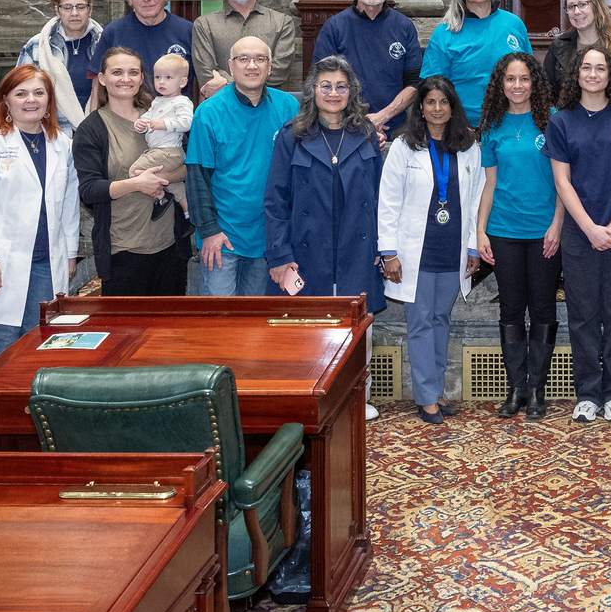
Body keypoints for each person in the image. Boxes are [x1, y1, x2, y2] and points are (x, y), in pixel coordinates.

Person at [265, 56, 387, 419]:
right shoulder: (292, 135)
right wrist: (279, 255)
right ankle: (307, 399)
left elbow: (381, 195)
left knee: (358, 326)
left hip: (358, 245)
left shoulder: (366, 134)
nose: (333, 93)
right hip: (306, 249)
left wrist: (383, 246)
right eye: (326, 86)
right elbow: (275, 199)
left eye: (341, 86)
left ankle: (355, 400)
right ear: (312, 91)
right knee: (308, 329)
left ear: (352, 92)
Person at [0, 66, 82, 366]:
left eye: (39, 93)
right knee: (2, 337)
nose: (31, 100)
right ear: (6, 100)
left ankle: (29, 396)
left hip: (46, 259)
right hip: (1, 262)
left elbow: (69, 202)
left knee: (39, 336)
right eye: (21, 93)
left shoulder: (61, 144)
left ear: (49, 100)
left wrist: (69, 252)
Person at [546, 45, 611, 425]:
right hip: (579, 234)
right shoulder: (561, 121)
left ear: (610, 74)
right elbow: (562, 182)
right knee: (583, 316)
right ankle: (588, 394)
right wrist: (589, 228)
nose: (592, 74)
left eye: (600, 68)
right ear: (576, 74)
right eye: (586, 67)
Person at [379, 77, 484, 424]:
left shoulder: (468, 146)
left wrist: (473, 246)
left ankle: (436, 391)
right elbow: (388, 202)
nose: (437, 108)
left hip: (452, 249)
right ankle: (425, 398)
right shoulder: (403, 146)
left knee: (441, 319)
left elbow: (475, 200)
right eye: (430, 102)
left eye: (443, 102)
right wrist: (389, 252)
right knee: (421, 322)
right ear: (420, 108)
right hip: (416, 252)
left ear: (453, 106)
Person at [475, 52, 564, 421]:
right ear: (501, 84)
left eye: (524, 78)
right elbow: (489, 184)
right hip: (503, 231)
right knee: (511, 309)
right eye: (510, 79)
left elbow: (563, 182)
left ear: (534, 82)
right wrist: (480, 231)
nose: (517, 85)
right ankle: (516, 389)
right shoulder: (492, 125)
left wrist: (557, 225)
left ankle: (537, 390)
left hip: (544, 231)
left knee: (542, 307)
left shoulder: (553, 120)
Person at [186, 36, 299, 296]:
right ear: (231, 65)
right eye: (243, 59)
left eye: (260, 59)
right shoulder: (208, 112)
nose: (252, 65)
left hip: (269, 237)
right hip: (223, 237)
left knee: (257, 316)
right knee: (221, 315)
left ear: (270, 67)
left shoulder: (289, 106)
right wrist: (209, 231)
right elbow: (197, 178)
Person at [72, 46, 187, 296]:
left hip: (169, 245)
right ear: (102, 78)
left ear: (142, 78)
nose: (126, 79)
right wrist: (136, 184)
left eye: (133, 72)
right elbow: (89, 190)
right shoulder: (92, 129)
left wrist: (159, 179)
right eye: (117, 72)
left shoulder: (162, 117)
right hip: (123, 248)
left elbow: (190, 166)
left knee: (169, 321)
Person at [314, 0, 423, 139]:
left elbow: (414, 84)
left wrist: (382, 116)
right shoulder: (334, 28)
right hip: (344, 129)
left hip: (394, 129)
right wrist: (359, 122)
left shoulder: (404, 27)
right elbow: (322, 84)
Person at [421, 0, 531, 125]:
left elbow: (530, 75)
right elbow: (431, 87)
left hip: (510, 123)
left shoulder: (514, 24)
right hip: (461, 125)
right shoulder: (444, 32)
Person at [192, 0, 300, 100]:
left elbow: (279, 72)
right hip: (223, 109)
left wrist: (226, 83)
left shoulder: (282, 23)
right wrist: (252, 82)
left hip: (268, 108)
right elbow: (208, 75)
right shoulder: (204, 25)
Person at [91, 0, 194, 99]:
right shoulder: (113, 32)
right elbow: (97, 84)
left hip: (175, 111)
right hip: (125, 110)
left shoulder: (189, 31)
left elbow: (203, 83)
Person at [17, 0, 101, 132]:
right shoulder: (36, 46)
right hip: (50, 132)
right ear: (57, 10)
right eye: (67, 7)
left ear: (90, 9)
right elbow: (20, 93)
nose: (74, 13)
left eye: (80, 7)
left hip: (98, 132)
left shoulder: (105, 44)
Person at [130, 54, 192, 212]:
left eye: (168, 77)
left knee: (135, 171)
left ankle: (159, 196)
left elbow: (187, 122)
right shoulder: (157, 101)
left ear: (183, 82)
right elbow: (146, 118)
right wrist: (140, 124)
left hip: (169, 152)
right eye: (158, 77)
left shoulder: (182, 101)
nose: (161, 82)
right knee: (174, 183)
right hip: (159, 151)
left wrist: (164, 124)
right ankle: (187, 209)